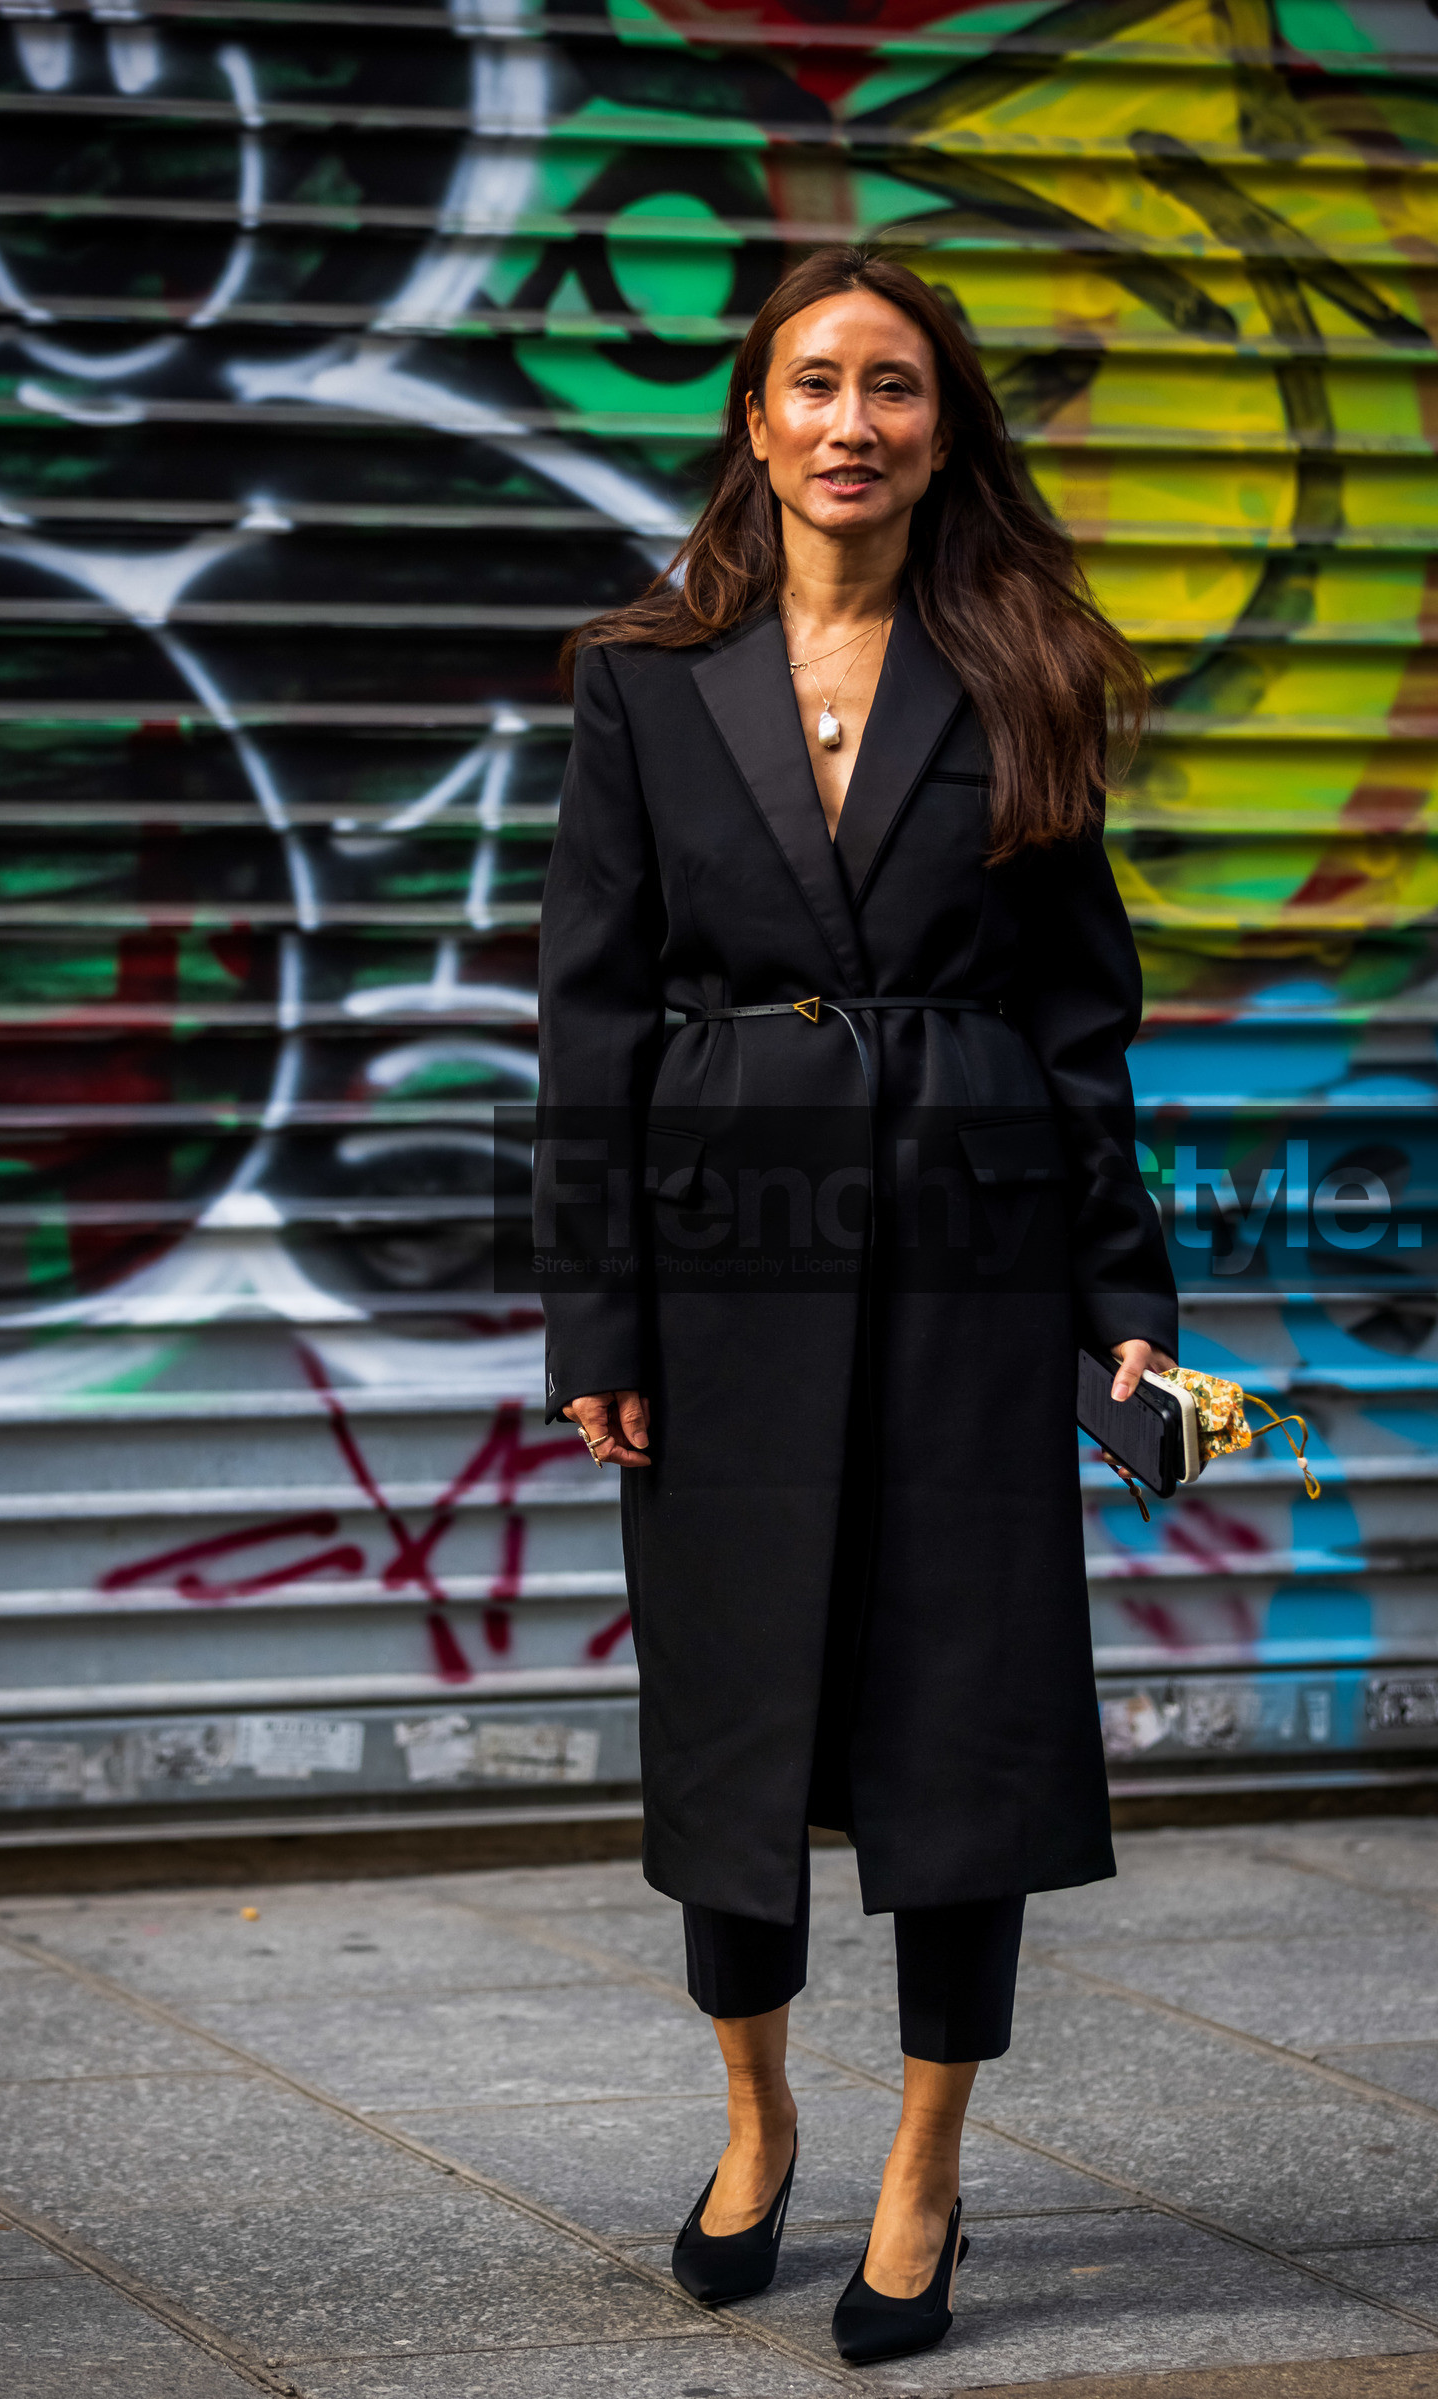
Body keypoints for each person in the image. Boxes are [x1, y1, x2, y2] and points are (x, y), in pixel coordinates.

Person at [533, 244, 1177, 2365]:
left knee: (963, 1722)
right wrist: (598, 1320)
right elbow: (585, 1021)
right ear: (754, 418)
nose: (850, 422)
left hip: (976, 1268)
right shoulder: (642, 680)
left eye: (893, 386)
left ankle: (923, 2170)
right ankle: (756, 2123)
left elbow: (1082, 1025)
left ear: (941, 428)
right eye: (813, 382)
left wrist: (1123, 1307)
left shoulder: (1024, 669)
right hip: (723, 1258)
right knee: (733, 1719)